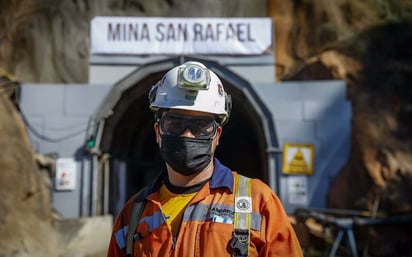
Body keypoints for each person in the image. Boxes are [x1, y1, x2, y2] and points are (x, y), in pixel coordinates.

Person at [107, 61, 303, 257]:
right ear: (158, 132)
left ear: (217, 135)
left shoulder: (259, 202)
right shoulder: (131, 215)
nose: (188, 135)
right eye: (174, 124)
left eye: (201, 126)